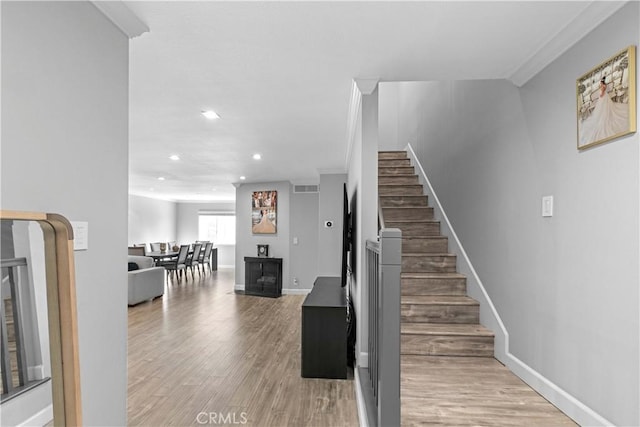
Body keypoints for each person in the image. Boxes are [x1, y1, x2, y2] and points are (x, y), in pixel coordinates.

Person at [579, 76, 628, 147]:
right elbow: (603, 91)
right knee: (607, 107)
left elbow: (601, 94)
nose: (600, 83)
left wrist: (600, 94)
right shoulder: (604, 85)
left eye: (601, 82)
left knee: (602, 109)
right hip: (606, 97)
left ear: (602, 82)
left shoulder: (602, 86)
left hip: (602, 98)